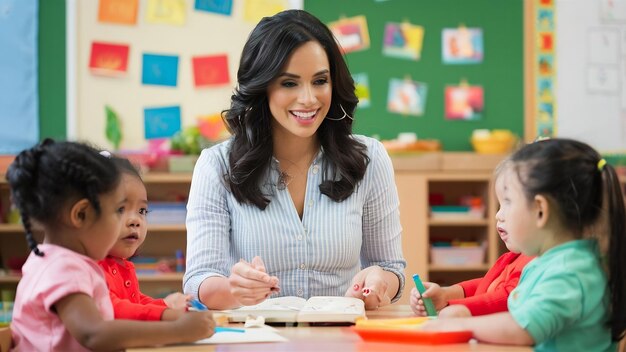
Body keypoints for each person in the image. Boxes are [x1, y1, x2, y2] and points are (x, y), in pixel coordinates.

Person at [183, 9, 406, 310]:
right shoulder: (217, 165)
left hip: (343, 337)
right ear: (263, 87)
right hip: (256, 339)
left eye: (320, 81)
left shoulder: (370, 159)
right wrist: (234, 290)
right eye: (289, 83)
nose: (309, 99)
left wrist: (380, 281)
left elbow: (390, 267)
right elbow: (198, 280)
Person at [7, 139, 214, 351]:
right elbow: (93, 334)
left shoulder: (56, 260)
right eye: (118, 211)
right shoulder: (63, 268)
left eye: (141, 211)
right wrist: (178, 331)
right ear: (81, 214)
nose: (129, 221)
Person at [421, 138, 626, 351]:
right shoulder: (558, 262)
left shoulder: (569, 271)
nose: (498, 214)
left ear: (540, 210)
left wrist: (461, 324)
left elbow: (523, 328)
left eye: (508, 202)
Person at [410, 159, 534, 318]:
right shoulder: (517, 257)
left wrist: (452, 306)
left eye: (508, 204)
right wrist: (446, 294)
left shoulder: (533, 261)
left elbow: (507, 298)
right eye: (499, 205)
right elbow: (488, 286)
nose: (498, 215)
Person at [98, 157, 191, 321]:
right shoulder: (92, 267)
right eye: (121, 209)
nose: (135, 220)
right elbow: (113, 309)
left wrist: (166, 305)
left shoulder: (122, 264)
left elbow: (136, 302)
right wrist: (166, 313)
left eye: (142, 211)